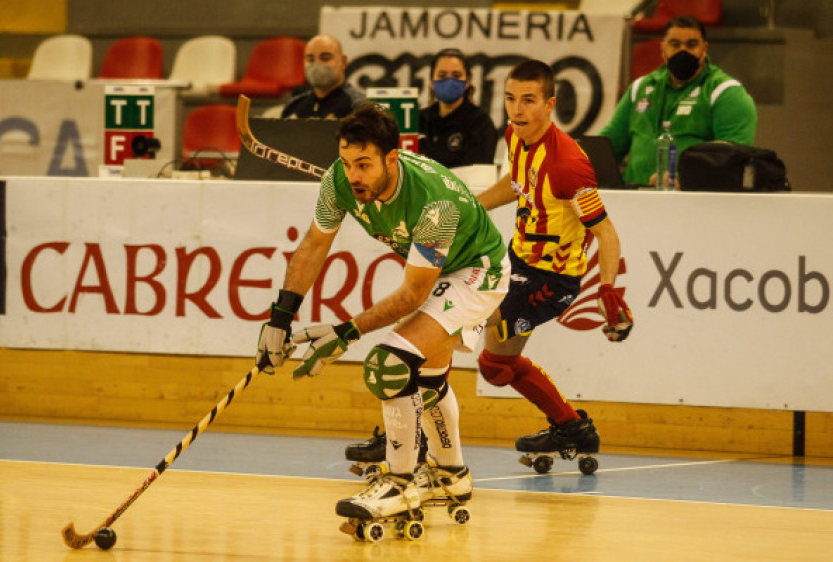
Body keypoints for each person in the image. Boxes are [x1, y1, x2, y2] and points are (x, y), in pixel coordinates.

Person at [255, 103, 510, 521]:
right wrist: (280, 318)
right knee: (424, 378)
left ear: (392, 158)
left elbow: (412, 293)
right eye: (346, 162)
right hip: (440, 271)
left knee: (390, 364)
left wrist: (345, 332)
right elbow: (315, 244)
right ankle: (450, 474)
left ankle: (400, 483)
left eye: (364, 164)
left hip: (477, 270)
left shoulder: (435, 204)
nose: (353, 176)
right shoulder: (339, 180)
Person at [474, 59, 633, 463]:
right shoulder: (515, 135)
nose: (517, 110)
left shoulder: (569, 166)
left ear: (550, 104)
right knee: (494, 366)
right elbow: (516, 184)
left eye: (528, 101)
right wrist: (471, 207)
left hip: (552, 280)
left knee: (457, 321)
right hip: (518, 260)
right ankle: (570, 427)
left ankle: (412, 441)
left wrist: (609, 290)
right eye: (510, 99)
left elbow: (606, 233)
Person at [599, 14, 758, 187]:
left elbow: (734, 160)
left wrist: (684, 180)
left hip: (694, 205)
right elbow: (607, 148)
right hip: (634, 200)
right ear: (663, 48)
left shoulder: (725, 93)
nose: (683, 51)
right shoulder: (640, 88)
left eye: (691, 45)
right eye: (675, 44)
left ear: (704, 49)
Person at [418, 48, 499, 168]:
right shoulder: (419, 119)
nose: (449, 81)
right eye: (442, 75)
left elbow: (478, 173)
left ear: (467, 81)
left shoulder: (480, 123)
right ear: (431, 81)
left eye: (456, 75)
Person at [281, 34, 365, 119]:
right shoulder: (293, 106)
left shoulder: (358, 107)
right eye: (310, 59)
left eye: (325, 58)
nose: (317, 65)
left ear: (343, 62)